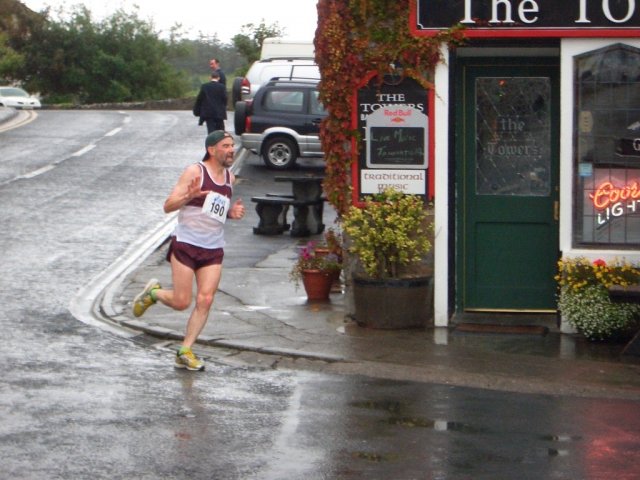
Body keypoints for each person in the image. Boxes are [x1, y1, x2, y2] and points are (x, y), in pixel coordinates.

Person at [132, 130, 245, 371]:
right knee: (182, 302)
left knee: (205, 299)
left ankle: (185, 350)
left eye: (232, 146)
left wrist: (230, 213)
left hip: (213, 248)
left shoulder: (229, 178)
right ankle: (154, 294)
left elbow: (214, 210)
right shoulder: (195, 172)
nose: (231, 150)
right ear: (212, 150)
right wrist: (188, 196)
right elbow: (168, 206)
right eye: (225, 146)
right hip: (186, 244)